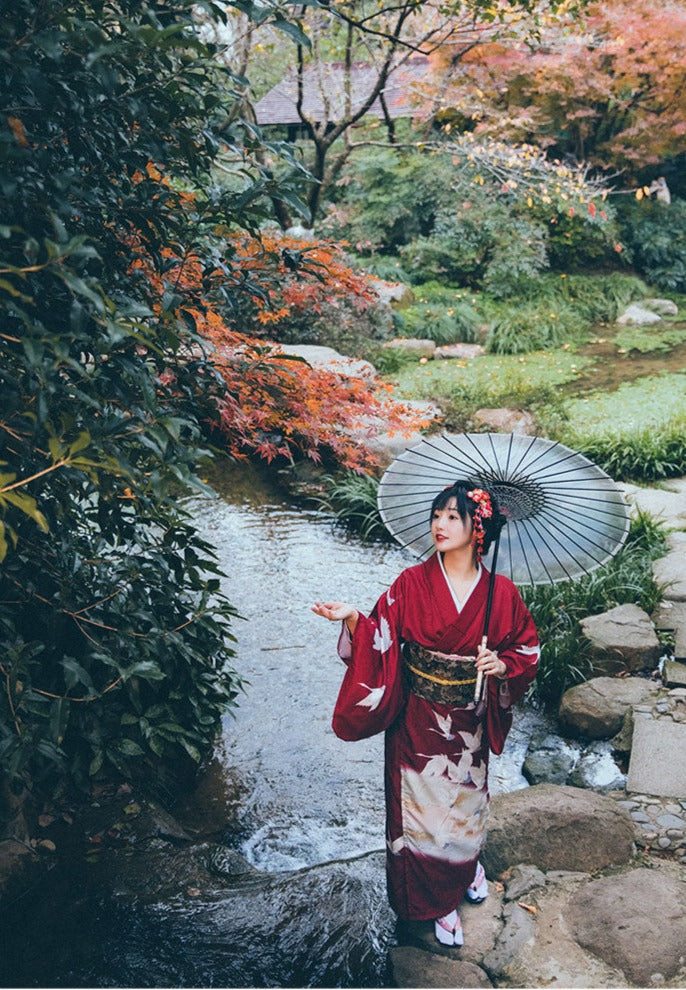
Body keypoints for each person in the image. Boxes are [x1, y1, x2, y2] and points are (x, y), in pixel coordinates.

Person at [312, 480, 539, 948]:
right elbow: (383, 635)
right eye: (437, 514)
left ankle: (466, 865)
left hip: (468, 725)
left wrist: (502, 665)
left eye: (453, 516)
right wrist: (356, 618)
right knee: (419, 817)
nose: (440, 524)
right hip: (415, 720)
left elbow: (527, 649)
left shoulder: (501, 593)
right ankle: (434, 903)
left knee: (465, 808)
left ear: (479, 528)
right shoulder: (411, 583)